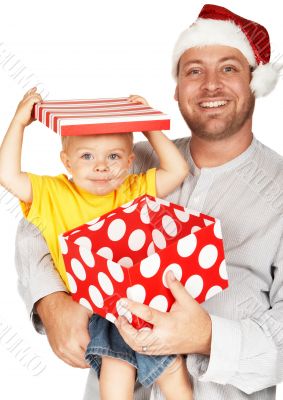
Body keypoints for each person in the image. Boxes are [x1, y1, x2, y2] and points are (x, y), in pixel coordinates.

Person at [14, 3, 283, 400]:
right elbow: (41, 220)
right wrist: (51, 301)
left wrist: (209, 337)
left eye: (228, 68)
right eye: (194, 71)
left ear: (254, 82)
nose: (211, 85)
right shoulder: (129, 161)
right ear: (176, 88)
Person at [0, 91, 191, 400]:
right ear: (67, 162)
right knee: (116, 370)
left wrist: (149, 127)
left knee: (171, 373)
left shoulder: (133, 188)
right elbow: (6, 174)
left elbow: (178, 171)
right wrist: (20, 123)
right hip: (98, 306)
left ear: (130, 161)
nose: (101, 167)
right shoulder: (53, 193)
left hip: (145, 299)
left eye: (113, 157)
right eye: (87, 156)